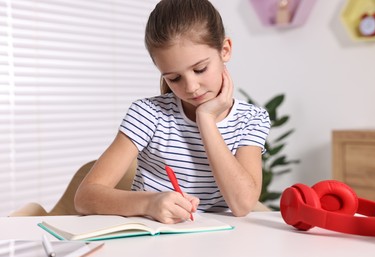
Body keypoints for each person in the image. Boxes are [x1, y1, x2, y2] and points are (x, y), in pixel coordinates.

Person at [74, 0, 271, 224]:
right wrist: (150, 203)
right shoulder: (148, 114)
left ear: (225, 50)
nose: (191, 87)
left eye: (200, 69)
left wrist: (205, 120)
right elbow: (85, 197)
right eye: (174, 78)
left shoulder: (251, 119)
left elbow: (242, 204)